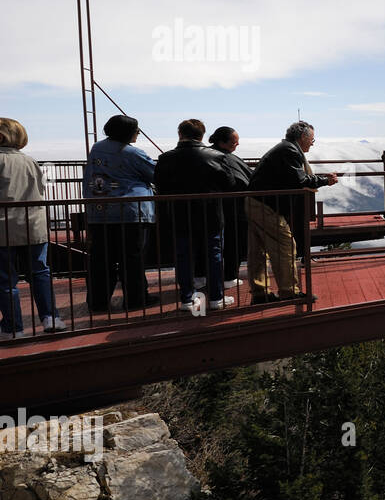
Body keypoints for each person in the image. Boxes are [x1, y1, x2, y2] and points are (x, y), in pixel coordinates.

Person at [245, 121, 337, 303]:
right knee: (286, 245)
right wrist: (325, 181)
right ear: (303, 137)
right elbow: (300, 179)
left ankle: (260, 292)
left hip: (255, 202)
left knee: (258, 250)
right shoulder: (290, 151)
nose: (312, 143)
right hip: (266, 206)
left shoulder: (284, 148)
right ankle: (289, 292)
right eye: (312, 139)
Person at [155, 119, 233, 309]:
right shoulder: (215, 156)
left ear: (180, 134)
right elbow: (229, 183)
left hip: (180, 213)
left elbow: (160, 186)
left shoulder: (166, 158)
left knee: (184, 256)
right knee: (214, 254)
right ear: (202, 135)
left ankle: (187, 299)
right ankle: (216, 298)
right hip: (210, 213)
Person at [84, 114, 158, 311]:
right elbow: (156, 174)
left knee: (101, 260)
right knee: (132, 259)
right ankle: (136, 299)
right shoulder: (133, 153)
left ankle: (97, 302)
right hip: (131, 213)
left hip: (99, 213)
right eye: (136, 130)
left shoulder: (96, 149)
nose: (138, 133)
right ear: (128, 133)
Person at [0, 118, 66, 336]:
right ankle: (51, 318)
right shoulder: (31, 161)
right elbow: (42, 188)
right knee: (40, 273)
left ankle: (13, 328)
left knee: (6, 280)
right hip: (33, 225)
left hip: (3, 229)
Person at [209, 125, 251, 287]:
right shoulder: (224, 158)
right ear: (223, 142)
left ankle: (209, 276)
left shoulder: (212, 155)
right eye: (234, 141)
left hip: (215, 206)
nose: (237, 144)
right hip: (232, 208)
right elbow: (240, 181)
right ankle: (230, 276)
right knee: (234, 242)